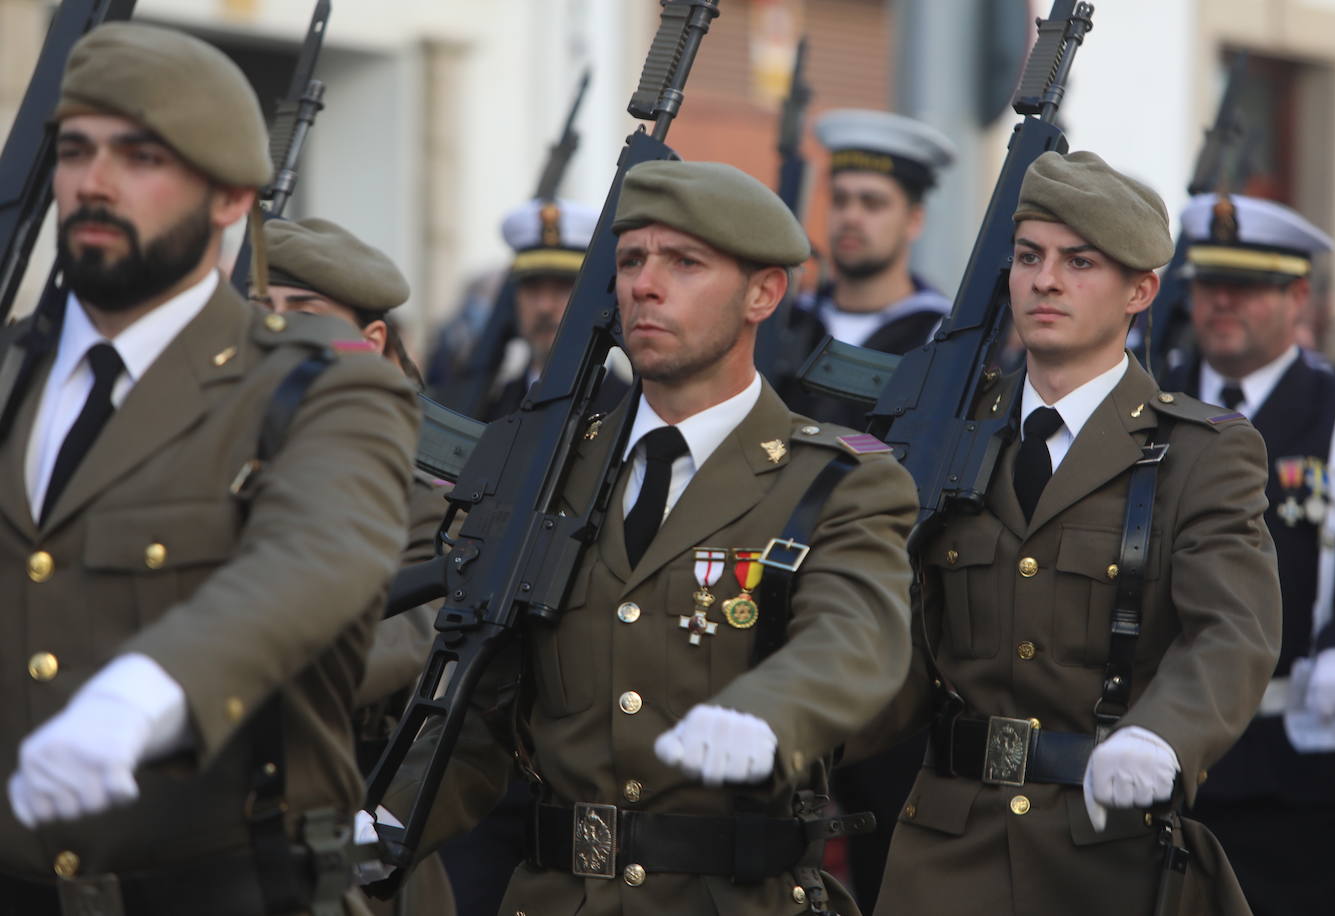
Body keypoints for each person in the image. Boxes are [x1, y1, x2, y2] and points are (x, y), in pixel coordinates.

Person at [378, 160, 918, 916]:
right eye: (631, 261)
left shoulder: (838, 481)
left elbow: (856, 635)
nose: (644, 286)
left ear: (763, 293)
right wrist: (381, 828)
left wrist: (770, 711)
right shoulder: (547, 477)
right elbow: (480, 705)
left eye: (684, 263)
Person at [0, 23, 419, 915]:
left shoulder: (321, 386)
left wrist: (152, 690)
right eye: (75, 151)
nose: (95, 183)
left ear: (231, 199)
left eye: (141, 156)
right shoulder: (10, 381)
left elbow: (313, 560)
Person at [869, 151, 1281, 915]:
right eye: (1029, 257)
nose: (1045, 281)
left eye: (1079, 261)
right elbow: (891, 645)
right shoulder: (949, 440)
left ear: (1141, 290)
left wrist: (1163, 736)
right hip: (946, 854)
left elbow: (1233, 632)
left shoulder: (1200, 453)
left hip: (1108, 850)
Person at [1164, 193, 1335, 915]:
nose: (1222, 301)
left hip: (1300, 768)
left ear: (1297, 298)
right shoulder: (1152, 403)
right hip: (1165, 751)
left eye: (1247, 286)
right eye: (1209, 282)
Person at [264, 216, 457, 916]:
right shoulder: (215, 467)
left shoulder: (423, 492)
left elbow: (416, 636)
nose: (280, 333)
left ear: (370, 343)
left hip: (354, 838)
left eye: (306, 315)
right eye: (263, 311)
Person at [776, 108, 956, 428]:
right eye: (839, 200)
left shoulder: (941, 336)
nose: (850, 217)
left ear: (914, 220)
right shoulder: (785, 319)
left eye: (872, 203)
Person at [430, 198, 627, 421]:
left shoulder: (630, 410)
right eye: (532, 288)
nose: (544, 306)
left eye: (563, 287)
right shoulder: (488, 411)